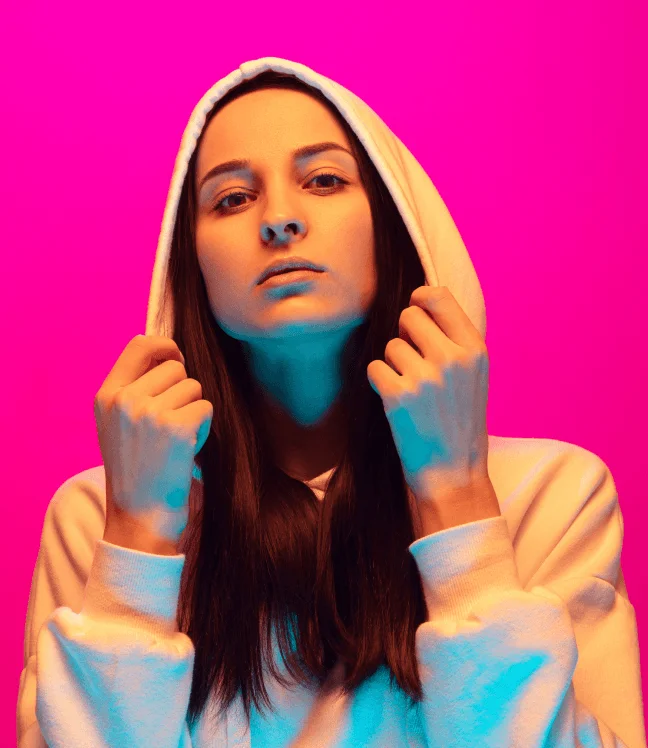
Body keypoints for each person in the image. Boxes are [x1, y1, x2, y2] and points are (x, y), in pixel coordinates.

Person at [16, 56, 646, 747]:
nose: (280, 220)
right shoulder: (98, 519)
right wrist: (137, 538)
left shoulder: (551, 496)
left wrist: (457, 497)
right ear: (189, 264)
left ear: (391, 221)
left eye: (323, 180)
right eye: (232, 198)